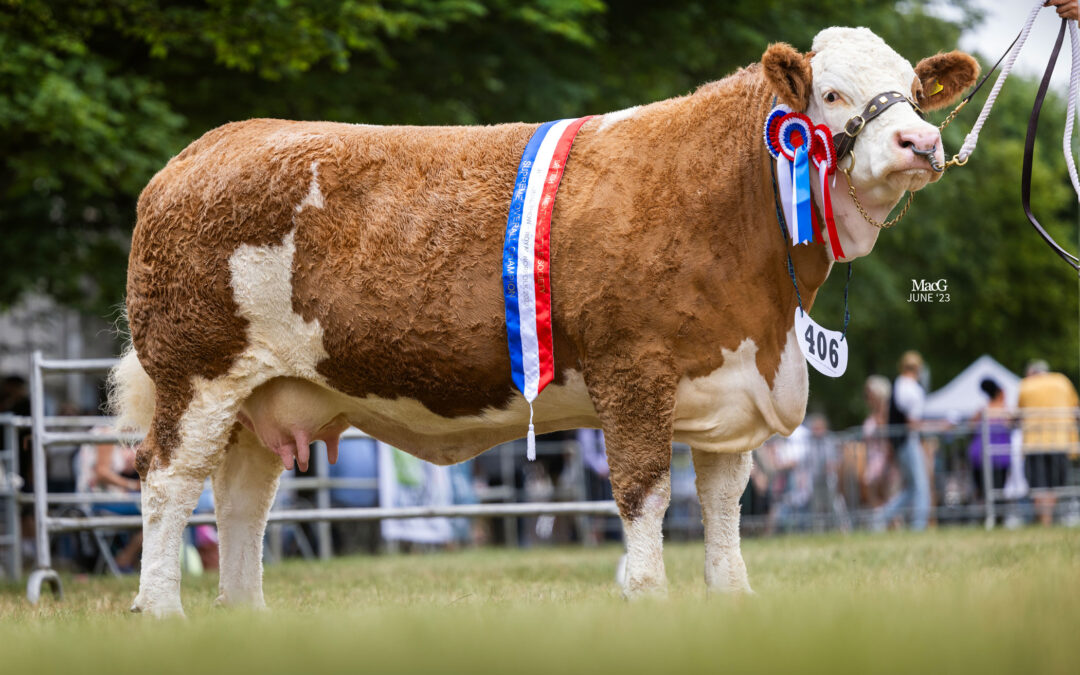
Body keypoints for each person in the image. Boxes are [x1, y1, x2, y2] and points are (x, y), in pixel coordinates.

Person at [1017, 359, 1078, 526]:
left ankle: (1045, 521)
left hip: (1034, 442)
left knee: (1038, 486)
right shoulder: (1062, 381)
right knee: (1054, 485)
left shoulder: (1026, 385)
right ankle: (1048, 520)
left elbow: (1019, 411)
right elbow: (1075, 406)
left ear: (1031, 373)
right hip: (1060, 440)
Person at [876, 351, 930, 531]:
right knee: (921, 487)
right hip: (909, 442)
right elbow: (913, 422)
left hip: (900, 443)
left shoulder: (898, 384)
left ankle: (882, 516)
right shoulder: (912, 388)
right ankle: (919, 526)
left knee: (912, 488)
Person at [968, 378, 1012, 499]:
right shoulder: (1004, 411)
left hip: (980, 455)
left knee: (984, 489)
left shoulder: (982, 410)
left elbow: (970, 426)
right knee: (997, 489)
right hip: (998, 457)